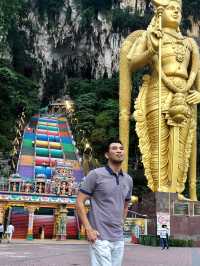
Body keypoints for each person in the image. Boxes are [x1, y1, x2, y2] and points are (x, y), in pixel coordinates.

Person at [119, 0, 200, 199]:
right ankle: (160, 187)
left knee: (181, 146)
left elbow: (196, 73)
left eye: (179, 10)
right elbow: (131, 63)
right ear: (160, 13)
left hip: (185, 93)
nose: (177, 13)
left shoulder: (189, 43)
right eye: (172, 9)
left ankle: (176, 189)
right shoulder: (151, 35)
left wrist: (197, 92)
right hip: (159, 90)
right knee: (159, 143)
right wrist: (152, 50)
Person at [76, 140, 133, 266]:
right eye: (114, 148)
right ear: (107, 154)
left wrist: (122, 222)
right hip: (100, 236)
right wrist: (89, 229)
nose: (119, 150)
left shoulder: (128, 180)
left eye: (121, 148)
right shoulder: (95, 175)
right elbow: (79, 202)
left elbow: (126, 204)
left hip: (118, 237)